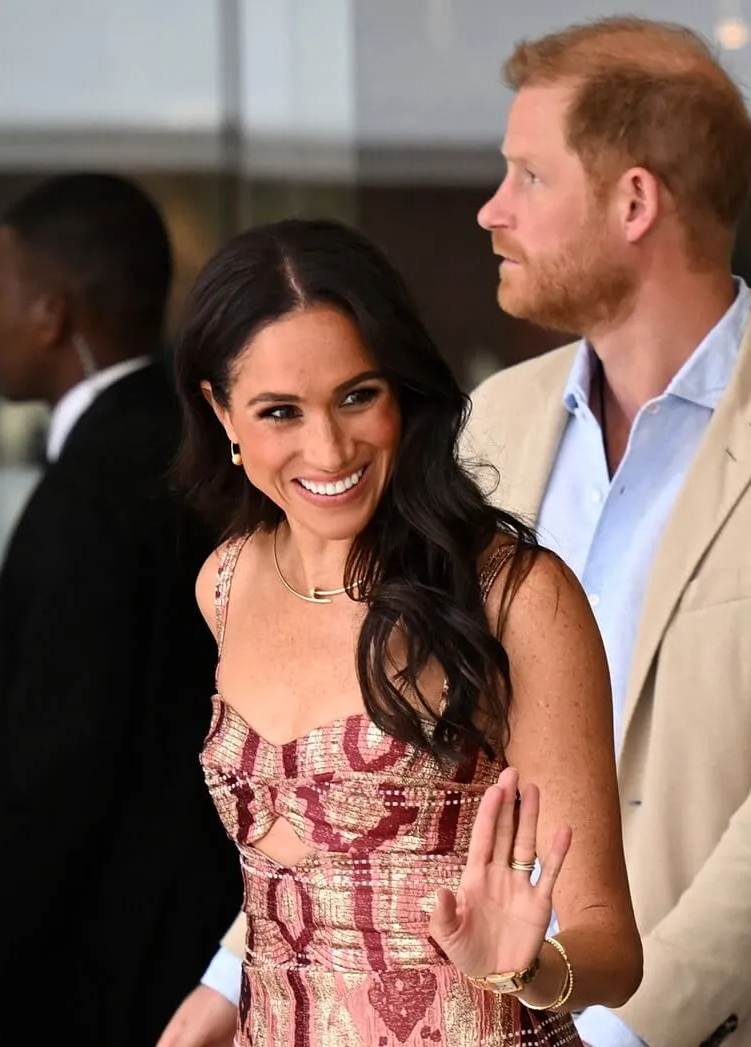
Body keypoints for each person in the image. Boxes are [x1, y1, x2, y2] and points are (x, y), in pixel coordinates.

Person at [160, 17, 751, 1047]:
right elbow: (367, 784)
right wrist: (231, 987)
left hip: (717, 1022)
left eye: (527, 175)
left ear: (633, 201)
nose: (492, 210)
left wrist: (592, 1024)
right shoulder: (487, 421)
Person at [166, 216, 641, 1046]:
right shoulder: (227, 582)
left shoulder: (514, 595)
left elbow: (613, 946)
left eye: (358, 395)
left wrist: (526, 967)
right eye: (280, 411)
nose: (328, 446)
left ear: (403, 390)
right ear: (222, 413)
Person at [0, 173, 241, 1044]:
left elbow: (52, 784)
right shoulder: (198, 449)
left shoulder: (88, 495)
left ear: (52, 313)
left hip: (102, 974)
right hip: (205, 944)